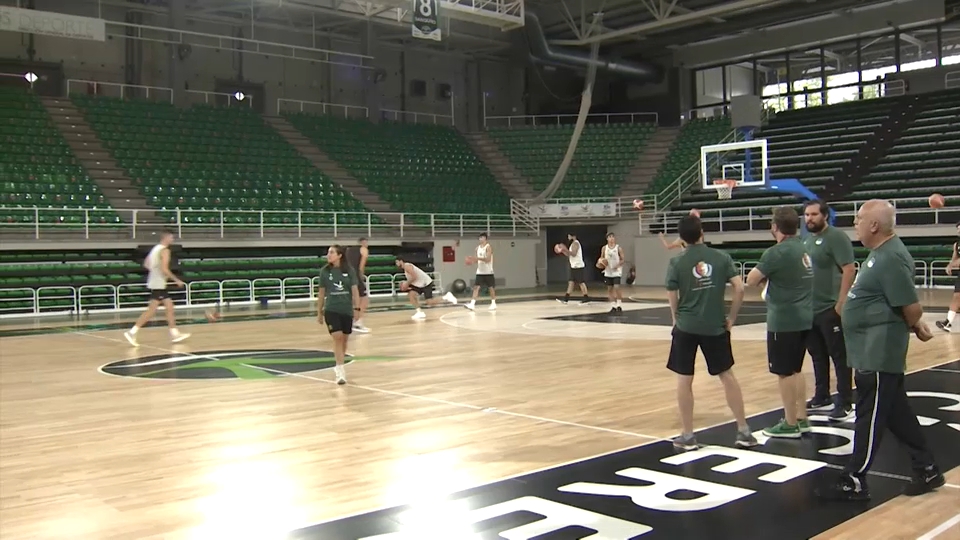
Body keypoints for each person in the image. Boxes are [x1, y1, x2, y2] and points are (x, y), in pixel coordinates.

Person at [816, 200, 944, 501]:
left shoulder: (891, 257)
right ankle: (926, 468)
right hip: (870, 350)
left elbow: (910, 305)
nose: (855, 223)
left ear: (874, 225)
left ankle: (854, 478)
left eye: (859, 218)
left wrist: (916, 324)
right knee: (897, 415)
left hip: (878, 352)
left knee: (868, 416)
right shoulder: (880, 254)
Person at [666, 215, 757, 450]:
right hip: (715, 326)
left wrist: (676, 318)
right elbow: (740, 288)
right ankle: (744, 430)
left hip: (686, 326)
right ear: (702, 233)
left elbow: (672, 295)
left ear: (681, 238)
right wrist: (732, 318)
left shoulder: (677, 262)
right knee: (727, 375)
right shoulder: (721, 257)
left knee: (684, 379)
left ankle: (688, 435)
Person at [746, 206, 814, 439]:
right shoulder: (804, 248)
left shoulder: (776, 253)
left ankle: (790, 422)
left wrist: (767, 277)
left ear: (775, 226)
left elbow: (751, 279)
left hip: (784, 320)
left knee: (784, 373)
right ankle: (802, 417)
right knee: (796, 369)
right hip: (804, 316)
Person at [802, 200, 857, 421]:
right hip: (811, 309)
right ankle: (822, 395)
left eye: (814, 214)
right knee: (817, 355)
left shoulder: (836, 237)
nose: (809, 218)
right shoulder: (807, 240)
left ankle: (845, 401)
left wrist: (841, 302)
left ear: (825, 216)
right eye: (807, 215)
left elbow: (849, 268)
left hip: (829, 307)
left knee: (839, 356)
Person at [123, 230, 190, 347]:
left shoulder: (155, 249)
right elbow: (164, 269)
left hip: (155, 281)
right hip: (159, 283)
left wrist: (154, 271)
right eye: (171, 237)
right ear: (166, 237)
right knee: (152, 310)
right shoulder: (165, 250)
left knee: (169, 306)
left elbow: (146, 264)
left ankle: (174, 333)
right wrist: (176, 280)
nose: (172, 240)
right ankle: (132, 332)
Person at [317, 244, 360, 385]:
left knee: (345, 339)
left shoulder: (349, 270)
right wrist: (319, 312)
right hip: (331, 309)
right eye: (328, 252)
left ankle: (340, 363)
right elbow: (321, 293)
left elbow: (355, 290)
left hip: (346, 310)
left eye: (332, 252)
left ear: (339, 255)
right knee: (338, 337)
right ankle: (340, 370)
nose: (328, 255)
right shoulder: (324, 271)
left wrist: (357, 308)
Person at [935, 221, 960, 333]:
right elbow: (955, 258)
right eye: (958, 229)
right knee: (956, 297)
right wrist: (950, 265)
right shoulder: (957, 244)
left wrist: (952, 264)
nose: (959, 230)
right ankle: (948, 322)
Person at [464, 232, 497, 311]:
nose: (480, 239)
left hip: (488, 271)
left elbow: (488, 259)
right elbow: (476, 260)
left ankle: (493, 303)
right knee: (476, 287)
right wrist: (471, 260)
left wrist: (477, 258)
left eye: (481, 237)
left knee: (491, 288)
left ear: (485, 238)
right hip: (480, 271)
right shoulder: (477, 248)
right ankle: (472, 304)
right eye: (479, 238)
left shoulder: (488, 247)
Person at [347, 237, 371, 333]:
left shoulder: (349, 250)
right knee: (364, 299)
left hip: (347, 275)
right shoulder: (364, 250)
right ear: (362, 243)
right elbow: (361, 266)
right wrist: (361, 277)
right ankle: (358, 322)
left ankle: (352, 322)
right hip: (356, 275)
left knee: (354, 300)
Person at [557, 233, 589, 305]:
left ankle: (586, 297)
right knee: (571, 282)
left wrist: (565, 248)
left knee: (581, 282)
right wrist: (562, 251)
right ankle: (566, 298)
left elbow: (574, 254)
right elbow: (569, 254)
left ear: (573, 236)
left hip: (578, 266)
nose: (568, 237)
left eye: (569, 236)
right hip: (573, 266)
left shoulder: (576, 243)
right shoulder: (572, 244)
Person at [599, 233, 625, 313]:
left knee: (617, 287)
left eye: (613, 237)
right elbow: (601, 258)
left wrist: (618, 265)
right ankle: (613, 305)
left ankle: (619, 305)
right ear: (607, 239)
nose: (611, 238)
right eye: (610, 237)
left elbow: (622, 259)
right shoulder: (604, 248)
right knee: (610, 289)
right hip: (608, 271)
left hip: (616, 271)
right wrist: (601, 262)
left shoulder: (618, 248)